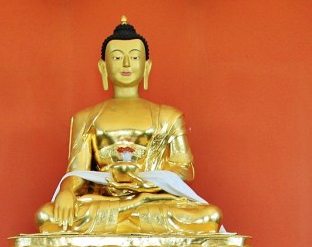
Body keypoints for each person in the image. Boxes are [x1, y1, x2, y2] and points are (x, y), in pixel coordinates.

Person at [36, 18, 222, 235]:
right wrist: (66, 192)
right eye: (117, 58)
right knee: (46, 216)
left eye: (134, 57)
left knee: (210, 215)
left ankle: (123, 221)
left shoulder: (169, 116)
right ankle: (129, 220)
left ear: (147, 66)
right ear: (103, 67)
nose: (126, 64)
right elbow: (78, 171)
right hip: (104, 200)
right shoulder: (85, 118)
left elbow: (184, 169)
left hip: (151, 199)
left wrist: (143, 183)